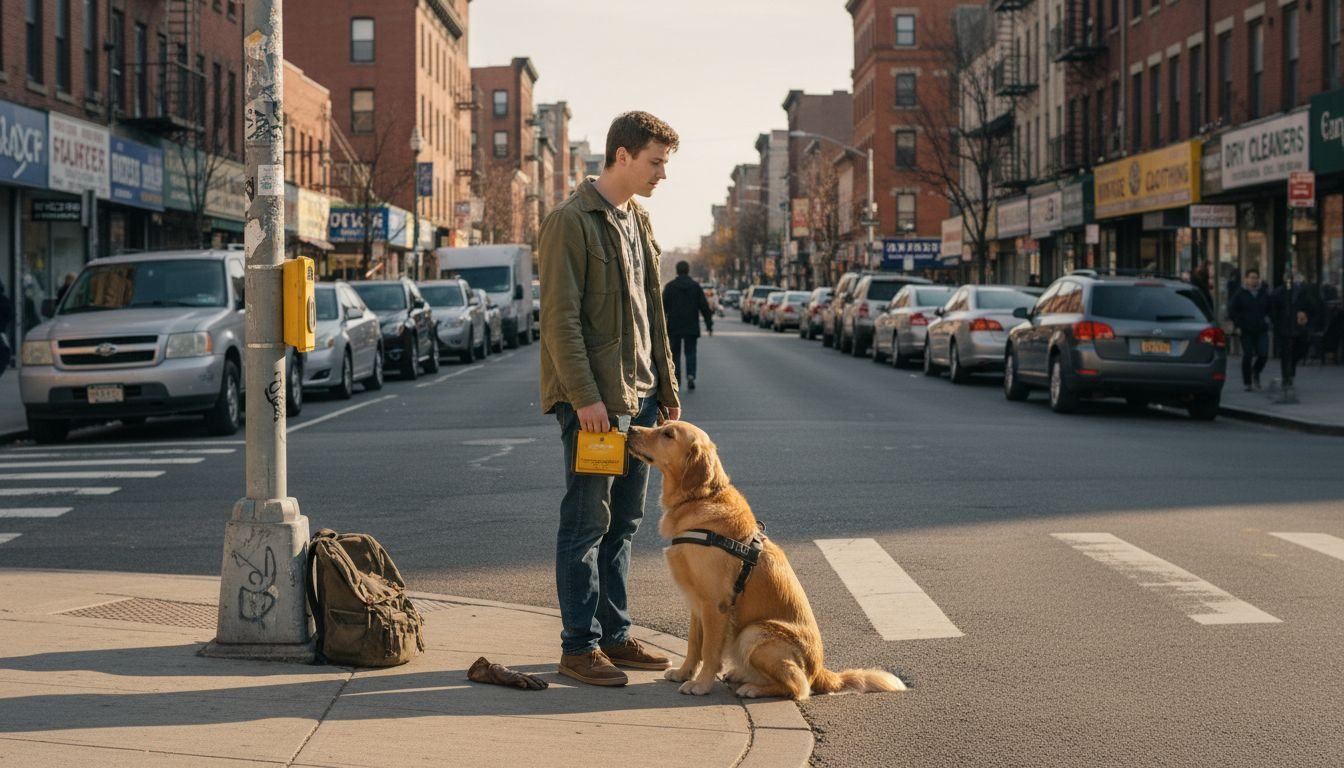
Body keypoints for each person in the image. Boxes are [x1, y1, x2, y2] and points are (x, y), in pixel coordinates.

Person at [537, 111, 681, 687]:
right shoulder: (570, 222)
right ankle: (579, 646)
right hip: (596, 403)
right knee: (586, 524)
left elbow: (654, 313)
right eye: (655, 162)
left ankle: (615, 636)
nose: (662, 175)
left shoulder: (638, 220)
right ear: (622, 156)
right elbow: (560, 322)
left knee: (625, 523)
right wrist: (585, 399)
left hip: (641, 400)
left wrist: (667, 389)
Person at [662, 261, 713, 390]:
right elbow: (704, 307)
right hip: (691, 325)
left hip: (674, 326)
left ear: (677, 270)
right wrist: (709, 324)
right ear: (688, 270)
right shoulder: (695, 287)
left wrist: (660, 326)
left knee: (675, 353)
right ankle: (690, 375)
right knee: (691, 352)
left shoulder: (670, 287)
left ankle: (677, 377)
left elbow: (662, 308)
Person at [1271, 272, 1318, 401]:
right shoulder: (1278, 293)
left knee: (1298, 351)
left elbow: (1311, 307)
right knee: (1286, 354)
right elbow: (1273, 310)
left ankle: (1290, 373)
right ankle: (1287, 378)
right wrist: (1277, 324)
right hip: (1284, 328)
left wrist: (1305, 316)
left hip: (1298, 328)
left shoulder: (1301, 292)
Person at [1227, 268, 1271, 391]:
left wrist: (1269, 320)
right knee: (1248, 355)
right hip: (1246, 330)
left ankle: (1255, 371)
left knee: (1263, 355)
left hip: (1261, 329)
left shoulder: (1263, 293)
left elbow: (1270, 308)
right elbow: (1232, 311)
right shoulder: (1240, 294)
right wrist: (1238, 325)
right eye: (1251, 277)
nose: (1254, 280)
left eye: (1256, 277)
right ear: (1246, 279)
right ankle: (1247, 382)